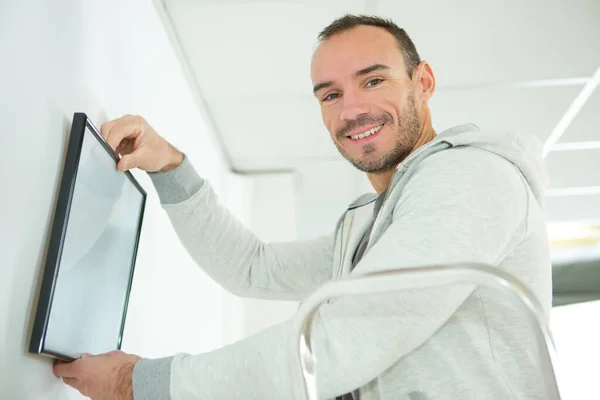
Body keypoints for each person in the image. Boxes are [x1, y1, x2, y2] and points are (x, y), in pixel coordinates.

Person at [53, 14, 552, 400]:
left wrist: (138, 384)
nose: (351, 109)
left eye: (373, 80)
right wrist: (170, 168)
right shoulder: (372, 226)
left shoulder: (472, 177)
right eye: (330, 94)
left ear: (422, 82)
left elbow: (351, 337)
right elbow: (253, 269)